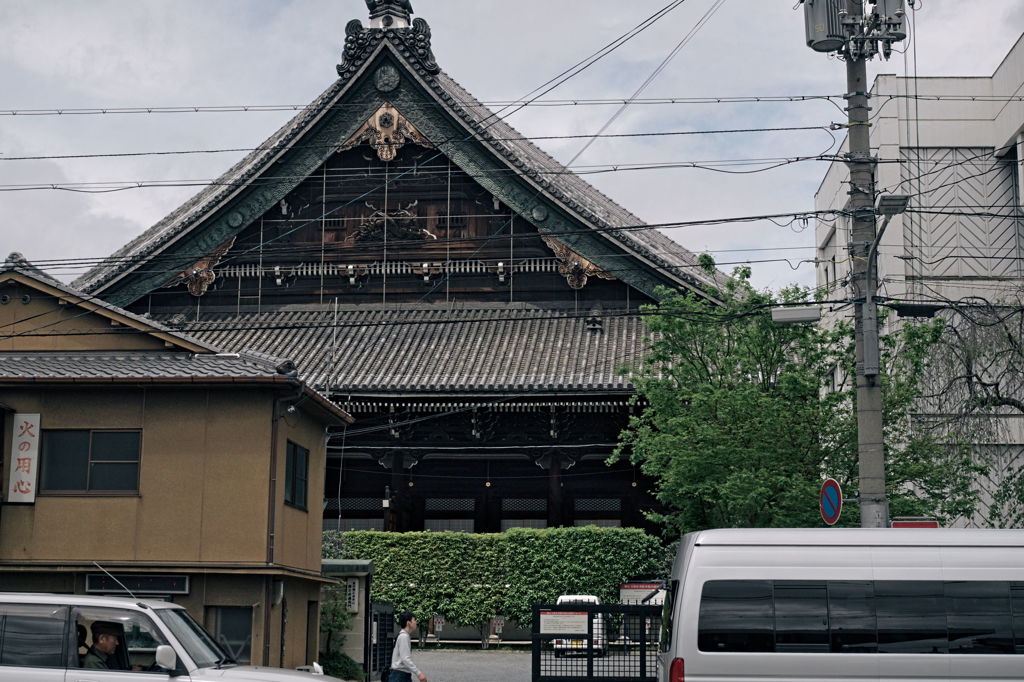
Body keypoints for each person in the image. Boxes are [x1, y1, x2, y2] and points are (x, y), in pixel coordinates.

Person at [389, 611, 426, 682]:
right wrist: (419, 674)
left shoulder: (403, 635)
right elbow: (405, 658)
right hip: (400, 675)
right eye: (414, 620)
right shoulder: (404, 637)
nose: (415, 622)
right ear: (408, 623)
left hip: (400, 674)